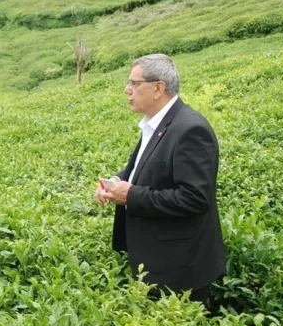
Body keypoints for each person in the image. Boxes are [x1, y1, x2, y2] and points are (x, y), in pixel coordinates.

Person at [96, 54, 226, 304]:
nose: (127, 90)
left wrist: (130, 195)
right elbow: (139, 168)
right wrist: (113, 183)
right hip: (156, 259)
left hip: (180, 267)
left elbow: (195, 198)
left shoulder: (190, 129)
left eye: (134, 84)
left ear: (158, 88)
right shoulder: (156, 124)